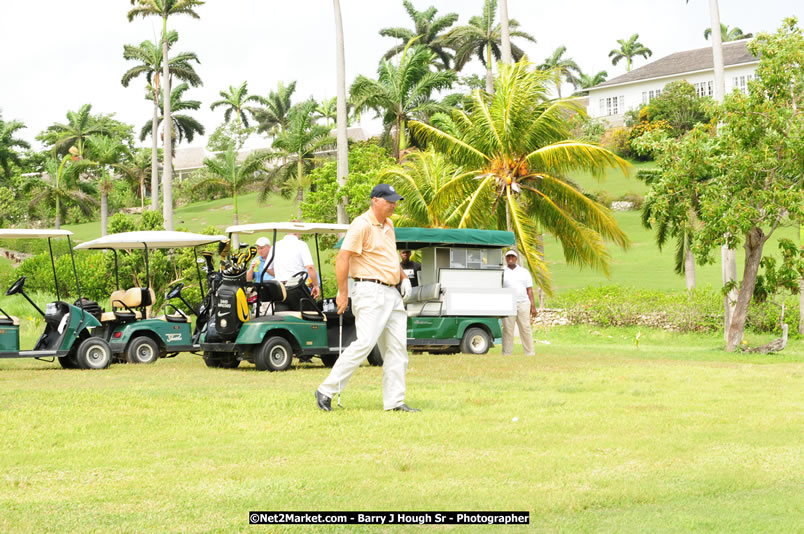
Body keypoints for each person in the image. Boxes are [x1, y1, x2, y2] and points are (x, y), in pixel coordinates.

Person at [315, 183, 417, 412]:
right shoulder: (361, 225)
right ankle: (326, 390)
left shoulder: (389, 225)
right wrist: (343, 293)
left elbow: (391, 257)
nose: (393, 205)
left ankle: (394, 401)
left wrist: (404, 278)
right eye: (389, 201)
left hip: (392, 292)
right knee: (364, 343)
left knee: (397, 348)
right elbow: (342, 258)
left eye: (395, 201)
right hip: (369, 290)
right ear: (376, 201)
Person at [501, 249, 537, 356]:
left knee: (525, 328)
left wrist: (533, 306)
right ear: (506, 258)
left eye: (512, 257)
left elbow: (529, 290)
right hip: (508, 304)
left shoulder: (524, 272)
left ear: (516, 258)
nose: (510, 259)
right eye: (508, 257)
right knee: (508, 330)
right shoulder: (502, 271)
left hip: (523, 303)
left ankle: (529, 352)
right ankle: (506, 353)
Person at [269, 230, 321, 300]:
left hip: (280, 289)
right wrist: (316, 285)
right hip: (296, 287)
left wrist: (281, 274)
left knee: (281, 310)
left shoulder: (276, 245)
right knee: (310, 309)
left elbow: (268, 268)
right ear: (298, 232)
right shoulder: (301, 245)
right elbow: (310, 267)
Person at [246, 237, 274, 315]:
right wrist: (251, 268)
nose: (260, 251)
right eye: (258, 248)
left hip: (271, 292)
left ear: (269, 247)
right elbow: (248, 279)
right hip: (259, 293)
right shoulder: (256, 260)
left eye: (262, 248)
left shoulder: (274, 259)